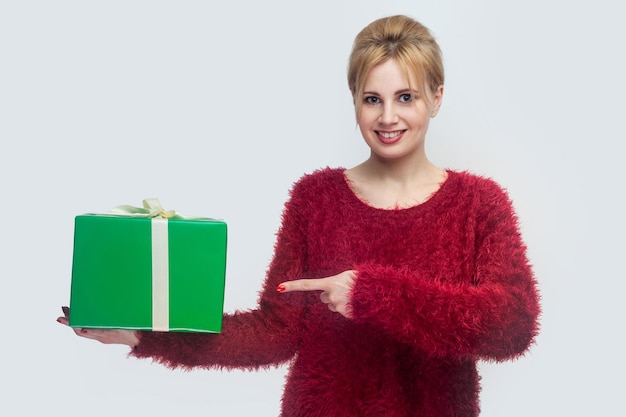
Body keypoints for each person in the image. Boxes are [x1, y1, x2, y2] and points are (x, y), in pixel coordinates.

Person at [58, 14, 541, 417]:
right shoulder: (315, 199)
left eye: (406, 97)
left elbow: (512, 325)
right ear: (354, 101)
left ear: (436, 98)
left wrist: (371, 294)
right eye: (372, 98)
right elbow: (273, 333)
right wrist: (146, 336)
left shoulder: (480, 204)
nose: (387, 117)